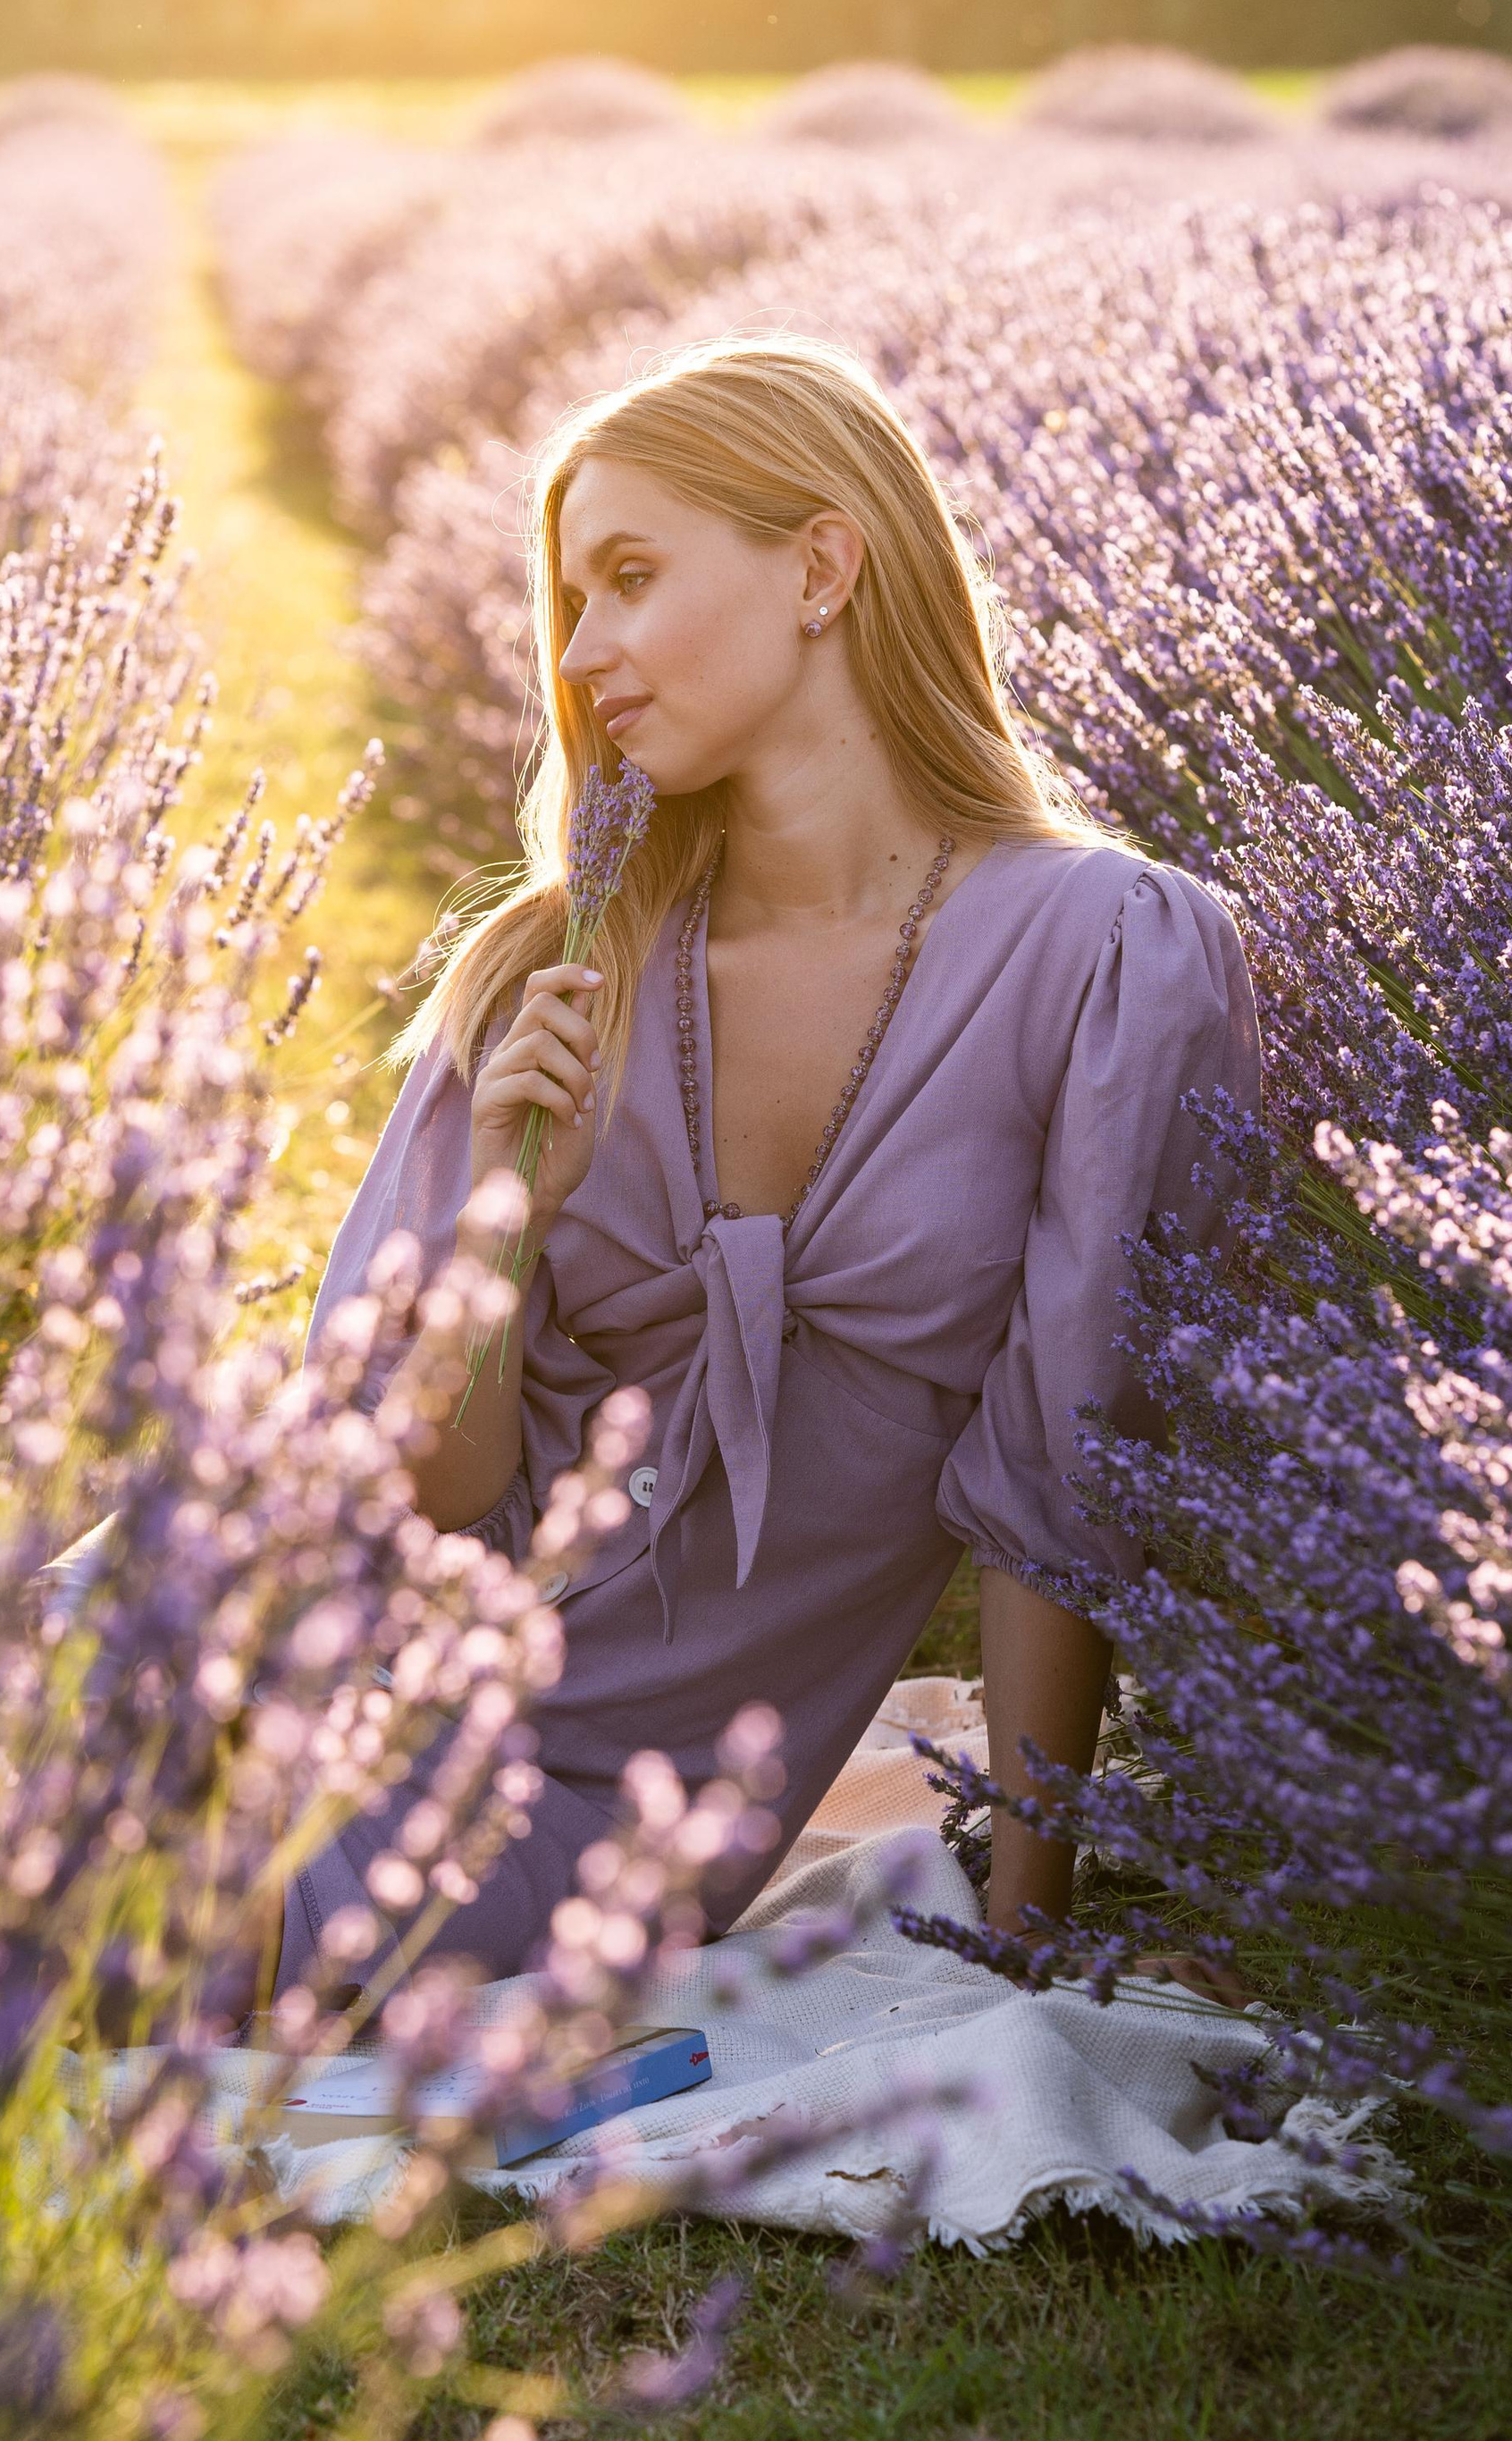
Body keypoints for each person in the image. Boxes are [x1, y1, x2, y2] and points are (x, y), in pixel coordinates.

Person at [278, 335, 1255, 2003]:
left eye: (632, 579)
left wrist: (1020, 1935)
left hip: (589, 1815)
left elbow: (1063, 1485)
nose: (580, 657)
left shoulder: (1110, 956)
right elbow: (415, 1496)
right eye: (570, 601)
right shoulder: (556, 963)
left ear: (821, 565)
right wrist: (500, 1219)